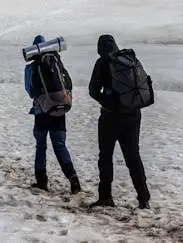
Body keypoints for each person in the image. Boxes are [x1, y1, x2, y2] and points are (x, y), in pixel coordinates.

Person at [88, 34, 150, 209]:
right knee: (133, 157)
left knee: (105, 157)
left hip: (110, 117)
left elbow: (93, 90)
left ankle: (106, 196)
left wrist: (105, 100)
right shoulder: (128, 59)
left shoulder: (102, 63)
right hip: (133, 115)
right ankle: (143, 198)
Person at [24, 35, 81, 194]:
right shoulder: (57, 63)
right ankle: (73, 179)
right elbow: (68, 83)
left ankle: (41, 182)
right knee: (60, 146)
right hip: (59, 109)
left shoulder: (32, 67)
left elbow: (30, 91)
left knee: (41, 146)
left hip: (41, 112)